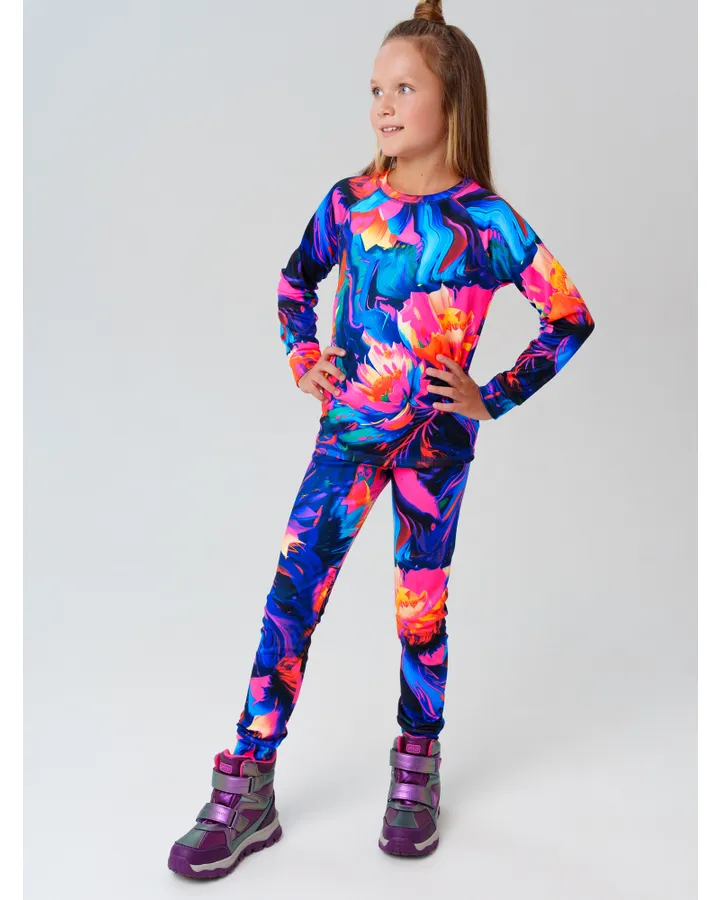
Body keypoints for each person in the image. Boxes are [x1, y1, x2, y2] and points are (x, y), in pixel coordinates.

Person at [168, 0, 596, 878]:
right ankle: (248, 782)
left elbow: (568, 316)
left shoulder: (488, 222)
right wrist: (304, 356)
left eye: (404, 88)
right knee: (293, 595)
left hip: (435, 450)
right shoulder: (350, 203)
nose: (383, 106)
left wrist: (491, 397)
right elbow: (295, 282)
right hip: (348, 440)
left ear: (452, 101)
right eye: (375, 90)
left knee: (420, 611)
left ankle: (416, 769)